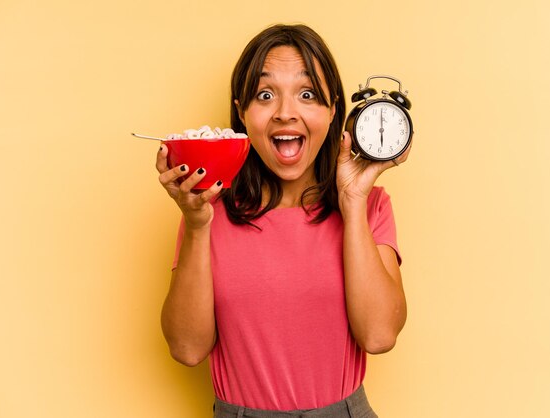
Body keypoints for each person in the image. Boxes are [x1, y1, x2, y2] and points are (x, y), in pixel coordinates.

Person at [155, 24, 409, 418]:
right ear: (241, 113)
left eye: (307, 94)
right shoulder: (207, 209)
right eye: (265, 94)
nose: (285, 113)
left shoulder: (369, 205)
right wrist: (196, 224)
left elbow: (378, 335)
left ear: (332, 111)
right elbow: (187, 349)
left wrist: (353, 201)